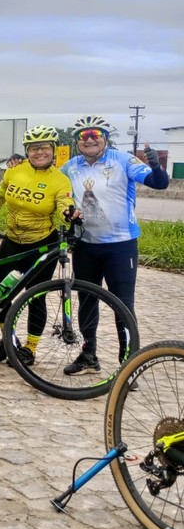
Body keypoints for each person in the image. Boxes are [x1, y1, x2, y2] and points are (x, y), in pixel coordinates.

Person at [60, 115, 169, 374]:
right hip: (86, 244)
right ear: (77, 142)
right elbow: (61, 199)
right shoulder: (70, 167)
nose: (89, 140)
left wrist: (156, 166)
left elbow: (159, 184)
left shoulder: (123, 160)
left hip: (121, 245)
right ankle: (89, 356)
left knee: (123, 305)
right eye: (83, 136)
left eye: (95, 135)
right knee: (87, 300)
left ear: (105, 138)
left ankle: (128, 364)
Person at [0, 125, 75, 365]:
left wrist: (70, 213)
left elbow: (65, 204)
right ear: (27, 151)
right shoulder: (14, 172)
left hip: (41, 243)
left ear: (53, 150)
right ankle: (9, 340)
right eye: (34, 148)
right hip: (13, 240)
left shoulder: (60, 180)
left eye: (44, 147)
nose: (39, 152)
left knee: (36, 296)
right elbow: (0, 198)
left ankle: (30, 349)